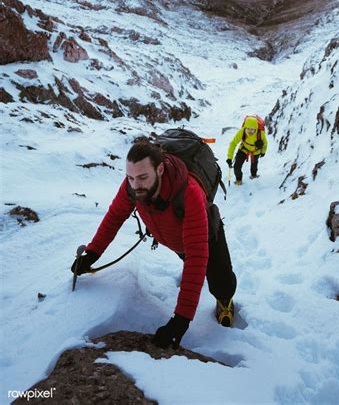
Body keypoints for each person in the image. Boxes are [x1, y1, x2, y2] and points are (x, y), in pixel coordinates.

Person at [71, 140, 237, 348]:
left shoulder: (189, 193)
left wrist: (181, 321)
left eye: (142, 177)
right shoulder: (133, 186)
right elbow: (114, 216)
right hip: (173, 236)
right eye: (130, 178)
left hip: (206, 236)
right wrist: (93, 254)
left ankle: (225, 300)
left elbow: (197, 255)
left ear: (160, 169)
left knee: (221, 280)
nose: (135, 185)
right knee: (187, 260)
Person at [226, 116, 268, 185]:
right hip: (244, 149)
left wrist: (263, 152)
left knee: (254, 165)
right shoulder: (242, 131)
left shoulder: (260, 133)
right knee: (237, 166)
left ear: (256, 129)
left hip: (255, 151)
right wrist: (229, 158)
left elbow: (265, 144)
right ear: (245, 127)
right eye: (248, 128)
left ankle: (254, 175)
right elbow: (233, 143)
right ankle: (238, 180)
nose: (250, 131)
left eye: (252, 129)